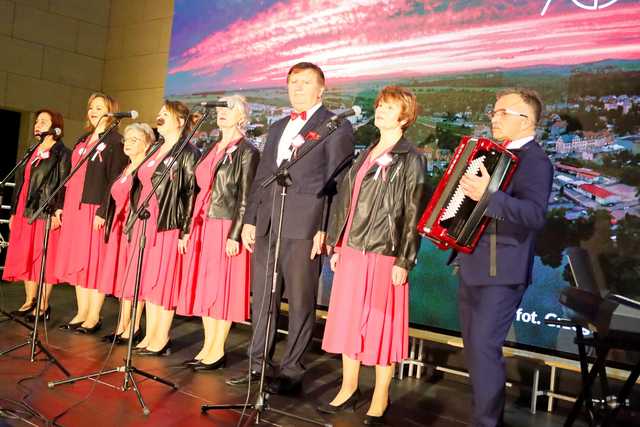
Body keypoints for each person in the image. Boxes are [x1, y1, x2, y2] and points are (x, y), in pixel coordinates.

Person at [227, 62, 354, 393]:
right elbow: (262, 177)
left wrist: (326, 228)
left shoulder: (334, 126)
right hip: (270, 222)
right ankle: (257, 366)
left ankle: (292, 372)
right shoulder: (280, 125)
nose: (296, 88)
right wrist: (252, 219)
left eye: (304, 82)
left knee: (299, 301)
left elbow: (337, 183)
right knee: (263, 300)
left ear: (321, 89)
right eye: (292, 82)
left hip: (305, 225)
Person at [319, 86, 427, 424]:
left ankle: (381, 394)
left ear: (405, 116)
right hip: (352, 249)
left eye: (389, 107)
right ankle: (349, 386)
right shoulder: (366, 151)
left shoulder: (411, 157)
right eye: (379, 106)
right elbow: (348, 204)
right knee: (349, 319)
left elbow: (412, 211)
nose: (380, 111)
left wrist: (405, 259)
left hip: (384, 251)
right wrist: (337, 244)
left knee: (380, 324)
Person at [456, 88, 553, 427]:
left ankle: (487, 423)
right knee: (476, 351)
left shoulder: (536, 161)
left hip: (502, 272)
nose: (494, 118)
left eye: (502, 113)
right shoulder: (494, 154)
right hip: (474, 265)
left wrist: (489, 196)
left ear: (527, 121)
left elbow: (534, 215)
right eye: (493, 113)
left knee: (483, 349)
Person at [177, 95, 258, 370]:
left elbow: (247, 197)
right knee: (206, 287)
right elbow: (197, 190)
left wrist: (235, 234)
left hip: (225, 225)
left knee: (222, 289)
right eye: (221, 108)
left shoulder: (247, 151)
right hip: (204, 224)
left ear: (242, 116)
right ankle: (206, 346)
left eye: (229, 109)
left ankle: (217, 350)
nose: (222, 113)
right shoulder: (212, 147)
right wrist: (188, 227)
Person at [54, 93, 128, 333]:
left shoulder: (116, 142)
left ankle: (94, 316)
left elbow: (115, 181)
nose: (94, 111)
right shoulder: (83, 139)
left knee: (93, 261)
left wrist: (104, 211)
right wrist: (61, 205)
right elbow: (70, 175)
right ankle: (81, 311)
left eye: (100, 107)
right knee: (78, 260)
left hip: (95, 208)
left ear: (111, 112)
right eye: (91, 107)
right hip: (75, 206)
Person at [131, 100, 199, 356]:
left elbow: (191, 192)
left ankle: (161, 337)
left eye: (165, 114)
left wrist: (185, 229)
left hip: (168, 222)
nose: (158, 117)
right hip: (146, 222)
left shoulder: (188, 152)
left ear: (180, 121)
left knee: (163, 281)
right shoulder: (155, 148)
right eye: (158, 113)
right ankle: (149, 334)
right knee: (148, 280)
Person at [3, 109, 71, 321]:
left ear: (55, 127)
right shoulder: (31, 150)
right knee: (27, 253)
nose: (37, 125)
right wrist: (14, 211)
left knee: (44, 257)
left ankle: (42, 305)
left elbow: (63, 184)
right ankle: (29, 300)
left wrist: (58, 211)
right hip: (25, 208)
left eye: (43, 121)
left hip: (45, 209)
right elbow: (22, 183)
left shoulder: (62, 152)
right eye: (37, 121)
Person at [97, 123, 155, 344]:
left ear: (148, 144)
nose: (128, 143)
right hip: (119, 227)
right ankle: (122, 325)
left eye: (135, 140)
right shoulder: (126, 167)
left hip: (135, 226)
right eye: (127, 139)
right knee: (123, 276)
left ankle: (133, 327)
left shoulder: (146, 169)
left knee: (134, 277)